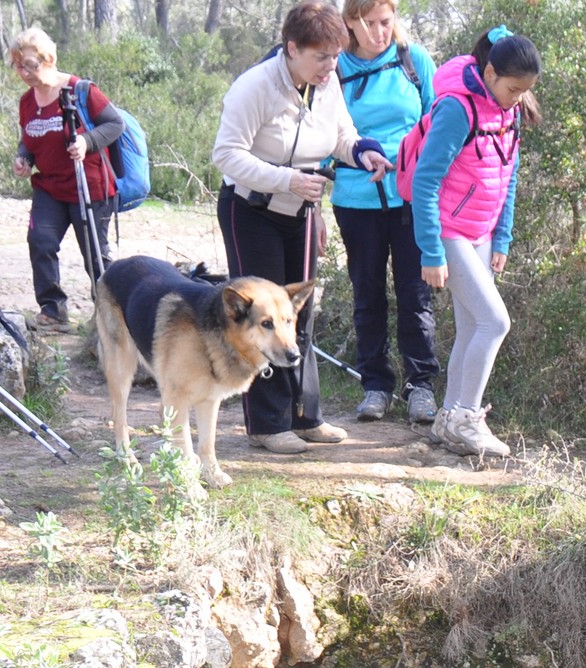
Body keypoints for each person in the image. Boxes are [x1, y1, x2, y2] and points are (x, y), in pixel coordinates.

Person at [211, 1, 389, 454]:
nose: (331, 67)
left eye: (335, 56)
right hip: (251, 212)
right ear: (292, 48)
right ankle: (267, 425)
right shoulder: (254, 86)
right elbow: (226, 155)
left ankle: (306, 417)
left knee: (299, 315)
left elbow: (343, 135)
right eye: (321, 57)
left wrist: (363, 152)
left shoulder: (327, 84)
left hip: (302, 212)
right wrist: (286, 179)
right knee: (266, 317)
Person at [409, 25, 536, 461]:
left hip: (482, 232)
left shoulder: (508, 112)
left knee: (472, 327)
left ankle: (448, 418)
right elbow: (425, 182)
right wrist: (431, 250)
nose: (518, 98)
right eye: (513, 88)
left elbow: (509, 175)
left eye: (525, 91)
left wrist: (502, 236)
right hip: (449, 230)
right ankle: (466, 417)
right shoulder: (456, 109)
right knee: (494, 323)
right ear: (490, 73)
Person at [333, 0, 438, 424]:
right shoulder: (333, 68)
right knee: (367, 294)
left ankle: (421, 387)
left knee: (416, 295)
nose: (380, 32)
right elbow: (322, 133)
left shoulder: (414, 60)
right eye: (370, 24)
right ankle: (375, 386)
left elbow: (437, 120)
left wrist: (418, 167)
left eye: (386, 22)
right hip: (355, 200)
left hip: (412, 199)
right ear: (350, 23)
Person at [8, 27, 124, 331]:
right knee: (41, 242)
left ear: (50, 59)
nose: (24, 72)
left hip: (90, 187)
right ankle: (53, 310)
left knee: (95, 255)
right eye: (18, 66)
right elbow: (30, 137)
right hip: (50, 187)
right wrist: (24, 158)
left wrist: (86, 141)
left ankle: (109, 318)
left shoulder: (81, 91)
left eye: (30, 65)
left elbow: (115, 124)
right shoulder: (27, 101)